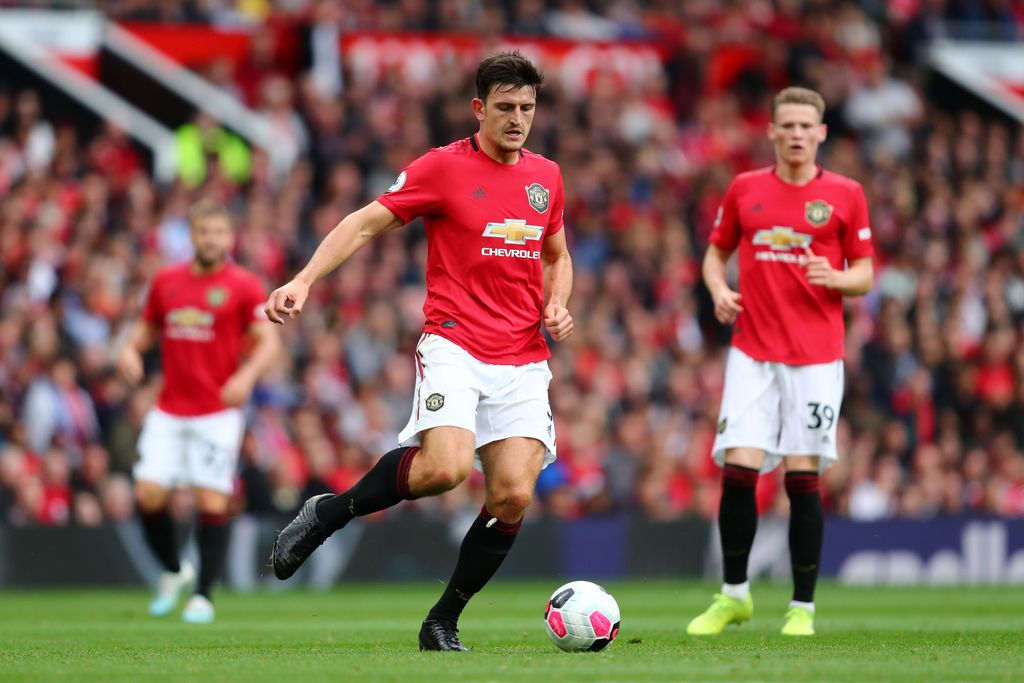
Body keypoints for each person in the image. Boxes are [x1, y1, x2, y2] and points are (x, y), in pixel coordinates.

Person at [265, 51, 573, 652]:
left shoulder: (547, 178)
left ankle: (443, 621)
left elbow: (557, 256)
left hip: (522, 356)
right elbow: (361, 224)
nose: (517, 120)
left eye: (527, 109)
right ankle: (332, 512)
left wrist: (558, 303)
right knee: (444, 469)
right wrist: (303, 279)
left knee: (512, 494)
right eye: (505, 108)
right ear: (478, 109)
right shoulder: (442, 168)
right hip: (455, 342)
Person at [688, 87, 874, 637]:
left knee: (801, 476)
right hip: (752, 352)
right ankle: (735, 596)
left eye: (805, 126)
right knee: (738, 469)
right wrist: (720, 289)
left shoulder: (846, 195)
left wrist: (836, 278)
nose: (795, 133)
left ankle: (802, 609)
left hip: (816, 359)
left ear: (821, 133)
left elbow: (865, 272)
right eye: (786, 124)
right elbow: (715, 252)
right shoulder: (746, 189)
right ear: (771, 131)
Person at [117, 199, 280, 623]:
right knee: (147, 495)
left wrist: (245, 378)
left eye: (219, 233)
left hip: (216, 412)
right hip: (169, 409)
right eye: (204, 232)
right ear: (192, 236)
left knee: (211, 499)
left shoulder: (243, 285)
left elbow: (269, 341)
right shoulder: (166, 282)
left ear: (230, 237)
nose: (211, 240)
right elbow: (146, 326)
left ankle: (203, 595)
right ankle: (174, 572)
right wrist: (130, 351)